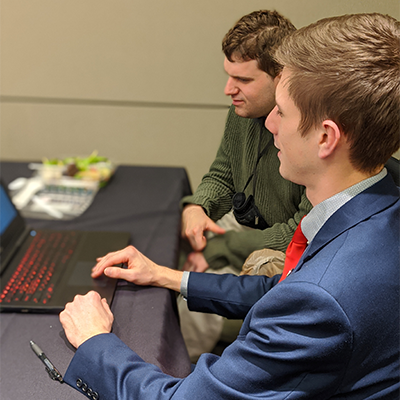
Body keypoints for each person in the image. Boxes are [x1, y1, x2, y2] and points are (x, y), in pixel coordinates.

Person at [60, 12, 400, 399]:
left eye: (282, 111)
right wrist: (167, 277)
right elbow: (283, 289)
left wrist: (93, 342)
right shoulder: (379, 207)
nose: (269, 122)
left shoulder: (321, 301)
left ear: (326, 137)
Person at [178, 9, 312, 361]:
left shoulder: (307, 132)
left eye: (243, 80)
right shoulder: (243, 112)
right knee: (171, 246)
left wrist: (217, 248)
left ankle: (174, 372)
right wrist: (199, 208)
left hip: (289, 252)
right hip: (250, 228)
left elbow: (301, 233)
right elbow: (223, 173)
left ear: (282, 77)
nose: (228, 90)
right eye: (228, 76)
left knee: (184, 301)